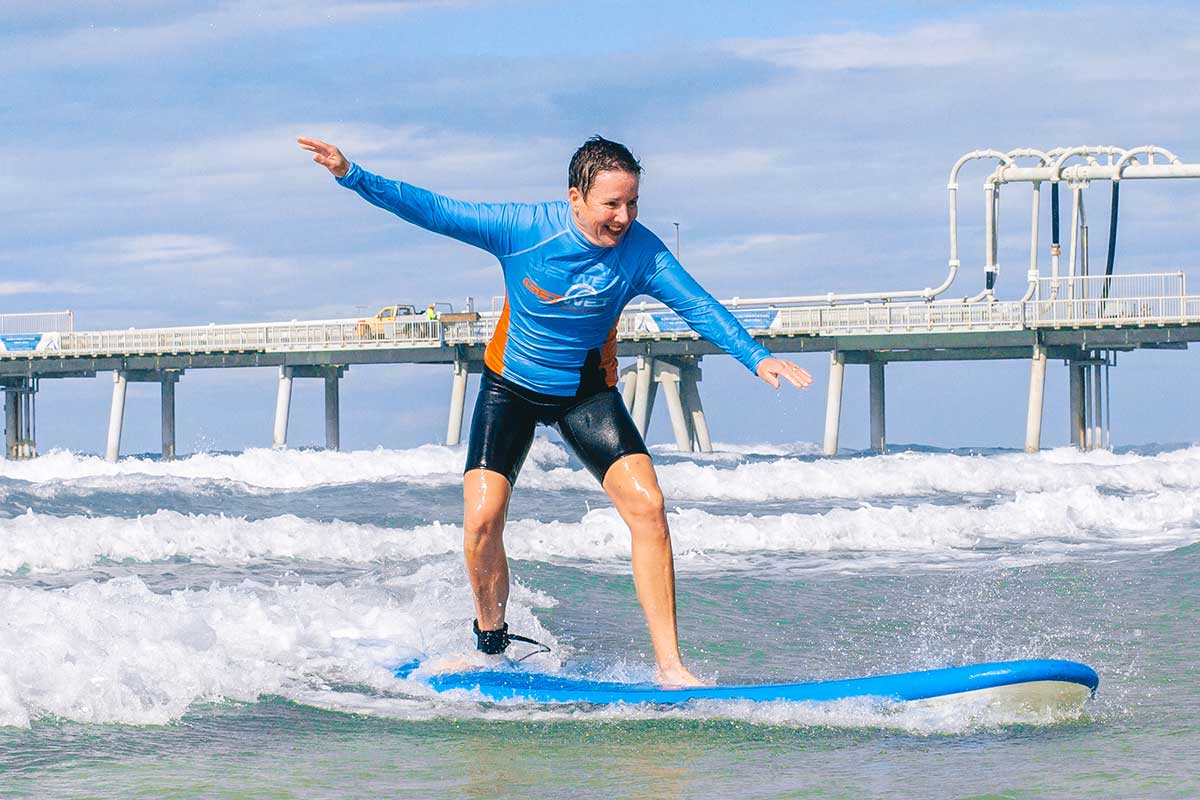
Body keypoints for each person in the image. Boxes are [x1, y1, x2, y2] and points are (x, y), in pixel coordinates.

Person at [298, 134, 813, 685]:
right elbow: (433, 210)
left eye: (633, 203)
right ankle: (490, 644)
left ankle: (671, 668)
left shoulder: (642, 252)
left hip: (585, 393)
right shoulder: (523, 229)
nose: (623, 217)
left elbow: (698, 305)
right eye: (611, 204)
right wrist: (353, 175)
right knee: (482, 518)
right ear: (575, 197)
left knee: (649, 507)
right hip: (510, 388)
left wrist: (756, 358)